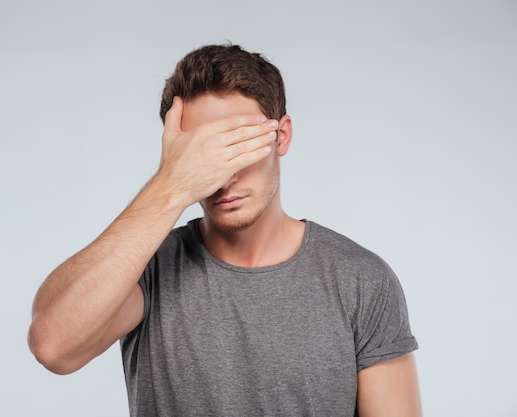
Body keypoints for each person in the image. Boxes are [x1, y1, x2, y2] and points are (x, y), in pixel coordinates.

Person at [28, 44, 422, 417]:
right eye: (204, 156)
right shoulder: (148, 270)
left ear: (280, 136)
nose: (223, 177)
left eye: (238, 146)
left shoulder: (360, 280)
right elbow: (52, 345)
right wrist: (170, 185)